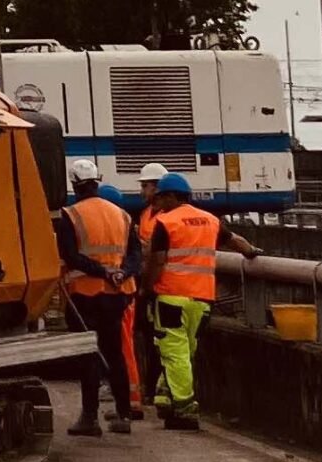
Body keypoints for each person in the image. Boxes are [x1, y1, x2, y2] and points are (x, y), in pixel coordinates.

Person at [137, 172, 261, 430]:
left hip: (171, 296)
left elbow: (157, 262)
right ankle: (165, 395)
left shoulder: (166, 222)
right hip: (203, 299)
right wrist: (251, 252)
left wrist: (146, 289)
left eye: (160, 197)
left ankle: (184, 408)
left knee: (174, 353)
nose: (157, 202)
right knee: (186, 351)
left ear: (171, 196)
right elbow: (234, 241)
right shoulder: (209, 219)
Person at [53, 162, 138, 436]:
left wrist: (101, 271)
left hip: (86, 295)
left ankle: (90, 418)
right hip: (117, 294)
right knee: (115, 353)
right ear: (96, 181)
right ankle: (123, 416)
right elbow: (136, 256)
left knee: (89, 355)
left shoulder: (71, 214)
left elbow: (69, 255)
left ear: (75, 184)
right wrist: (120, 273)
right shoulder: (122, 215)